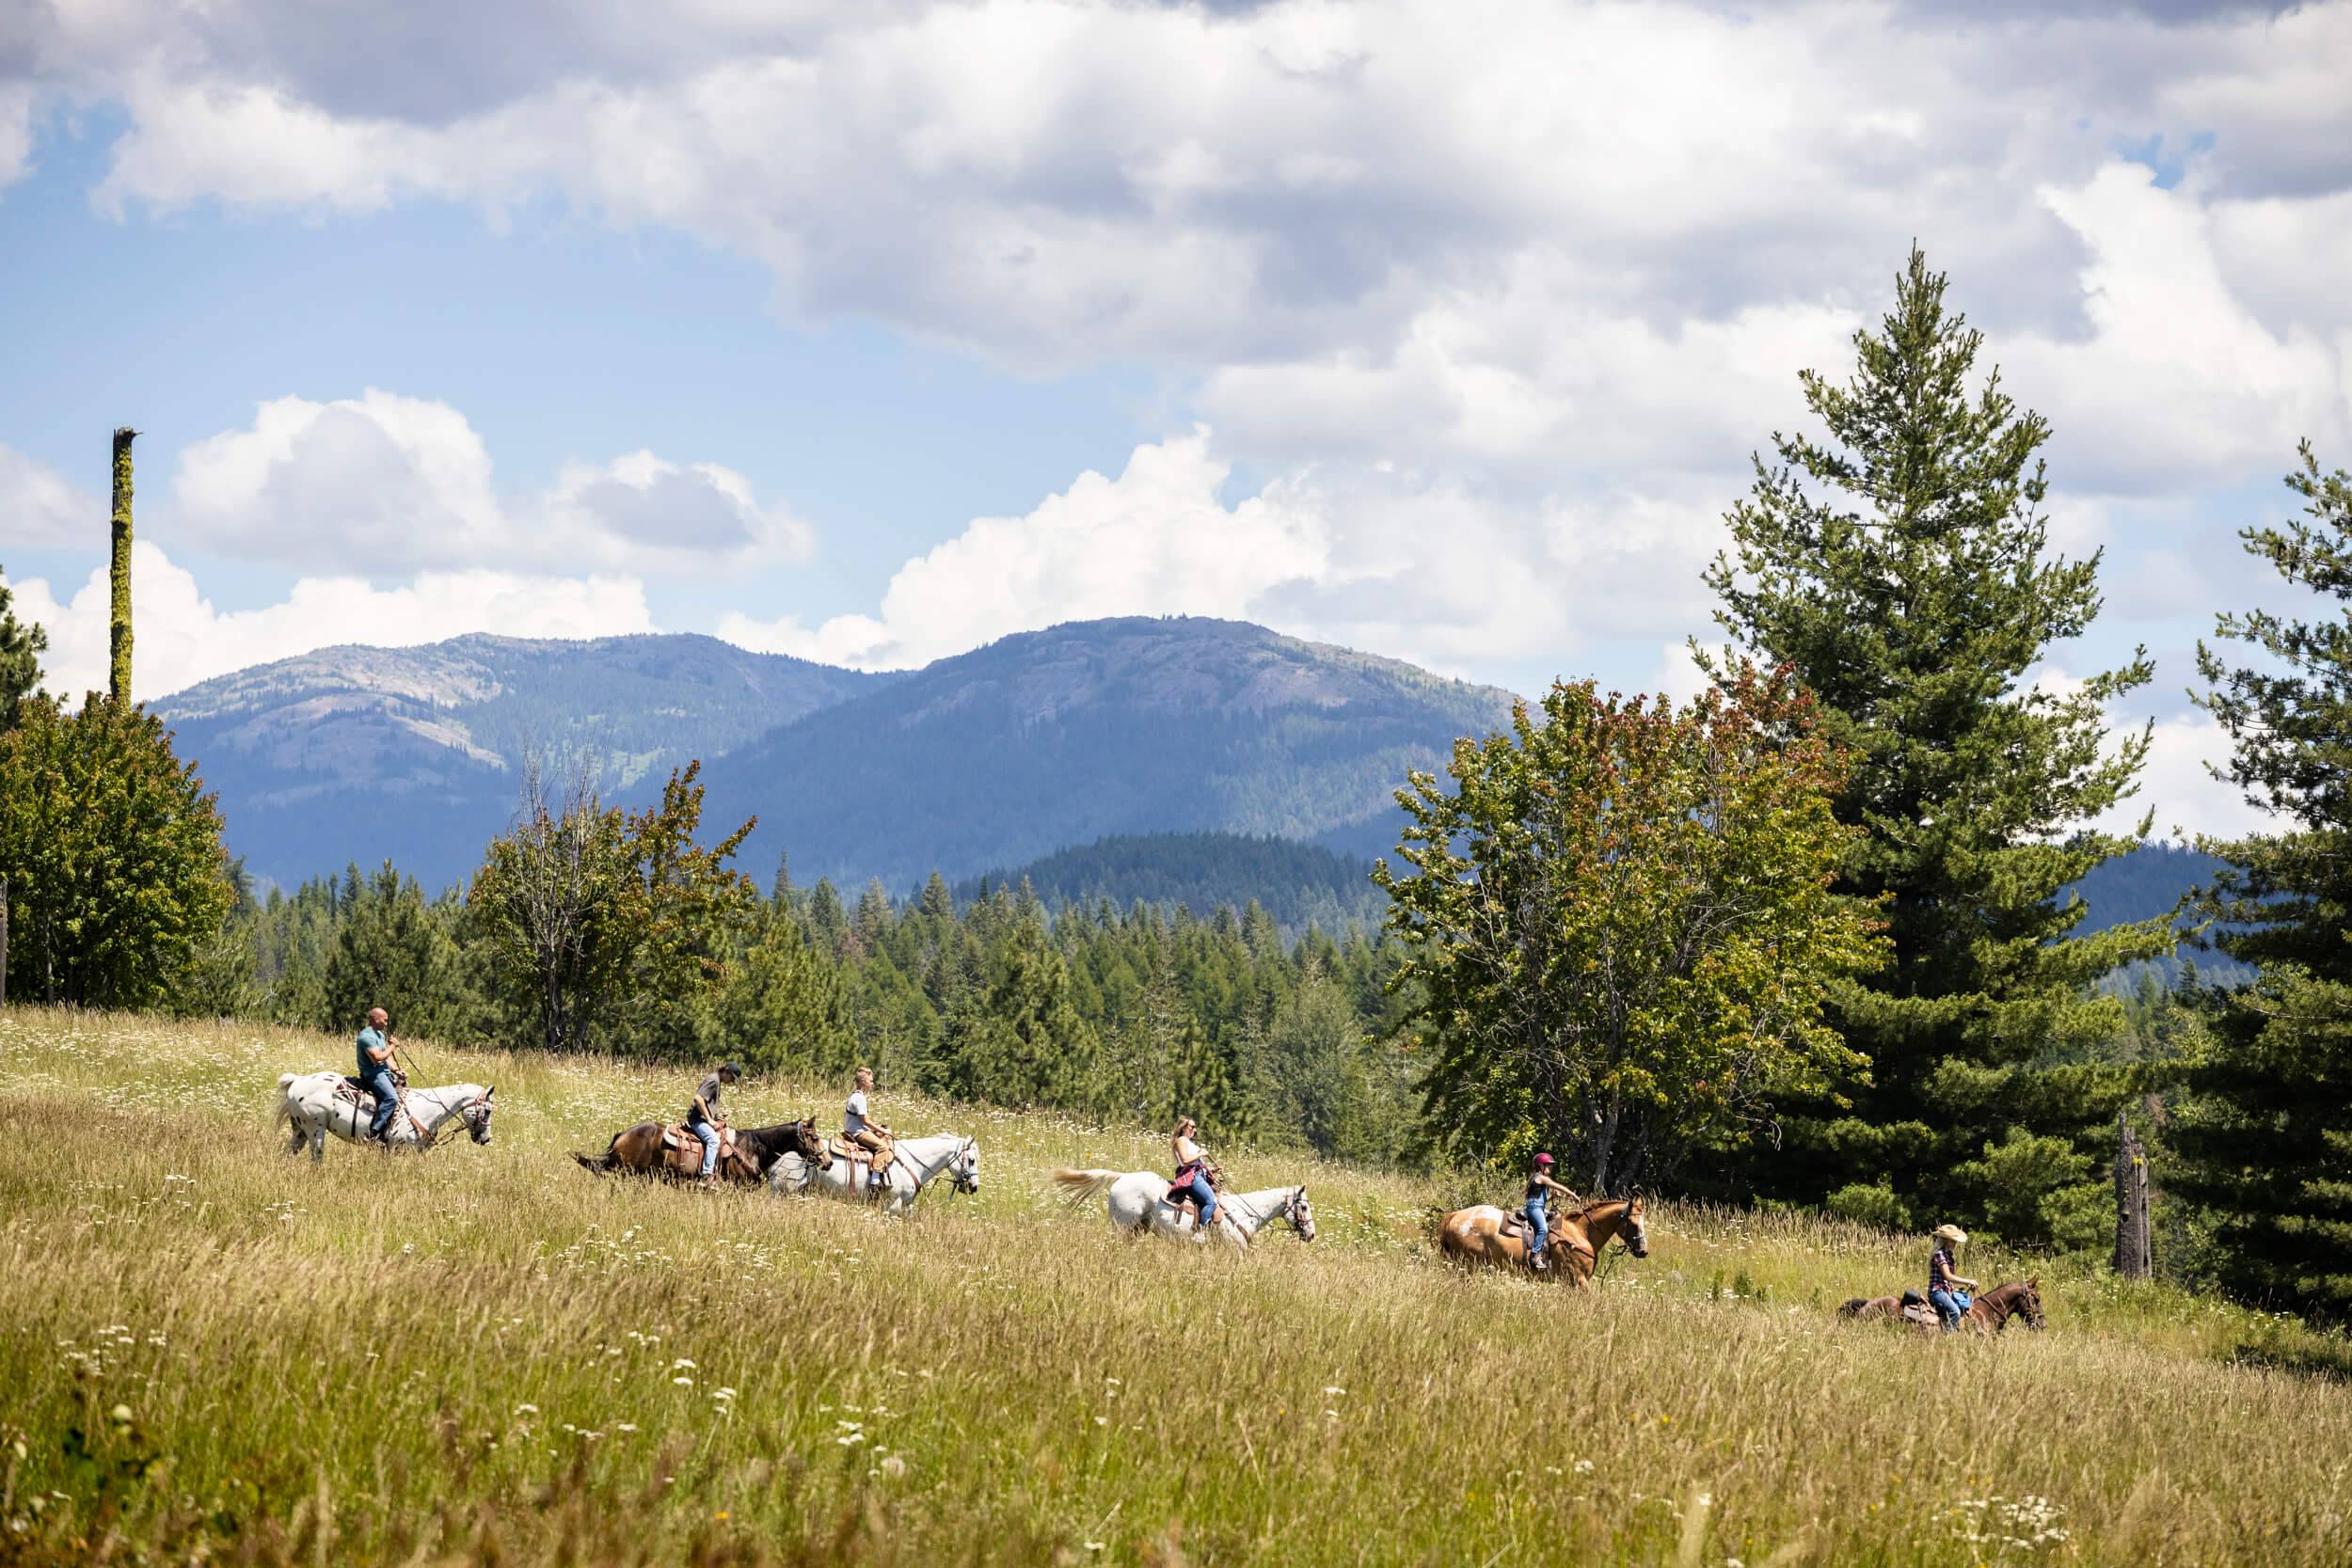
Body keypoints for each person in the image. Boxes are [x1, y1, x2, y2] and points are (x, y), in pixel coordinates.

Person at [1521, 1153, 1578, 1271]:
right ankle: (1534, 1256)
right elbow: (1556, 1185)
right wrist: (1572, 1194)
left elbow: (1541, 1198)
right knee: (1543, 1229)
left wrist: (1553, 1196)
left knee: (1556, 1219)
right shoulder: (1540, 1177)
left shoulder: (1539, 1179)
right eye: (1548, 1166)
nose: (1550, 1168)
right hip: (1534, 1208)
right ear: (1541, 1166)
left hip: (1539, 1207)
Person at [688, 1063, 740, 1185]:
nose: (732, 1081)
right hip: (697, 1120)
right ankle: (706, 1176)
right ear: (726, 1071)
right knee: (714, 1141)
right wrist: (710, 1120)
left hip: (701, 1119)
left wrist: (715, 1116)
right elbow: (698, 1099)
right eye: (732, 1078)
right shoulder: (714, 1081)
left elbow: (705, 1103)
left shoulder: (716, 1080)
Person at [355, 1006, 401, 1145]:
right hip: (372, 1074)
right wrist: (393, 1046)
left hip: (382, 1072)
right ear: (375, 1019)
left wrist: (396, 1070)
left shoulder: (380, 1035)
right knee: (392, 1098)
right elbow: (378, 1058)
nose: (386, 1023)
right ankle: (374, 1132)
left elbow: (386, 1058)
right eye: (385, 1020)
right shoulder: (366, 1037)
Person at [845, 1067, 895, 1191]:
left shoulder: (855, 1095)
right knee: (883, 1147)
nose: (872, 1083)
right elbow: (865, 1121)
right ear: (863, 1082)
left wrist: (875, 1130)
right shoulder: (860, 1098)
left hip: (855, 1129)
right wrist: (883, 1131)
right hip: (858, 1132)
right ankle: (875, 1179)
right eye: (870, 1081)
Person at [1171, 1116, 1219, 1242]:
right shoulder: (1181, 1140)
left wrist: (1212, 1170)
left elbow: (1196, 1163)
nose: (1194, 1129)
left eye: (1195, 1127)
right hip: (1191, 1176)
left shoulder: (1189, 1142)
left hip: (1198, 1174)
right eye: (1191, 1126)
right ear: (1183, 1128)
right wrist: (1201, 1153)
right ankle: (1200, 1232)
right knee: (1211, 1201)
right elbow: (1185, 1161)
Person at [1928, 1224, 1979, 1332]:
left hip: (1946, 1291)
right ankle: (1949, 1336)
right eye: (1952, 1240)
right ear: (1945, 1240)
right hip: (1937, 1292)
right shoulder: (1939, 1254)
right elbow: (1948, 1276)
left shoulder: (1949, 1256)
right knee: (1955, 1312)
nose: (1955, 1243)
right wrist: (1967, 1281)